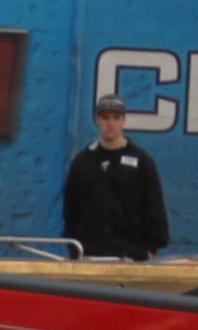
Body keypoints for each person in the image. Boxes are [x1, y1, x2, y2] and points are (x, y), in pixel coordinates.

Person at [60, 102, 168, 263]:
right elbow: (70, 207)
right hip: (88, 253)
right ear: (97, 119)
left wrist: (151, 249)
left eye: (116, 118)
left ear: (123, 120)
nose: (110, 123)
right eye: (105, 117)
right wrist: (74, 248)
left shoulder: (141, 160)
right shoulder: (83, 161)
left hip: (130, 254)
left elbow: (154, 205)